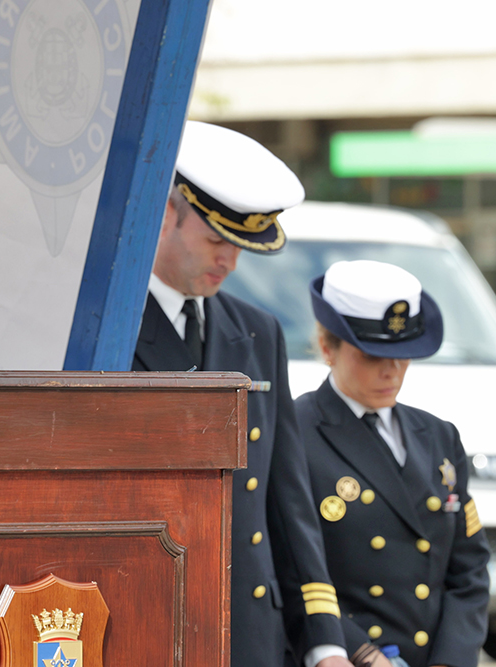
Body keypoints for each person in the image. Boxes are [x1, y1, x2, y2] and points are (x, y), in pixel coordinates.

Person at [134, 121, 351, 667]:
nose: (229, 262)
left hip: (250, 631)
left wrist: (324, 640)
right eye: (214, 241)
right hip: (149, 619)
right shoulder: (111, 330)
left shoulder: (258, 332)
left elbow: (287, 499)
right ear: (165, 214)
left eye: (238, 247)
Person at [293, 260, 490, 667]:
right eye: (371, 355)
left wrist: (450, 659)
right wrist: (361, 653)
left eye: (403, 356)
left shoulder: (438, 435)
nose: (391, 371)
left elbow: (468, 567)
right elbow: (292, 565)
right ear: (327, 347)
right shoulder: (295, 433)